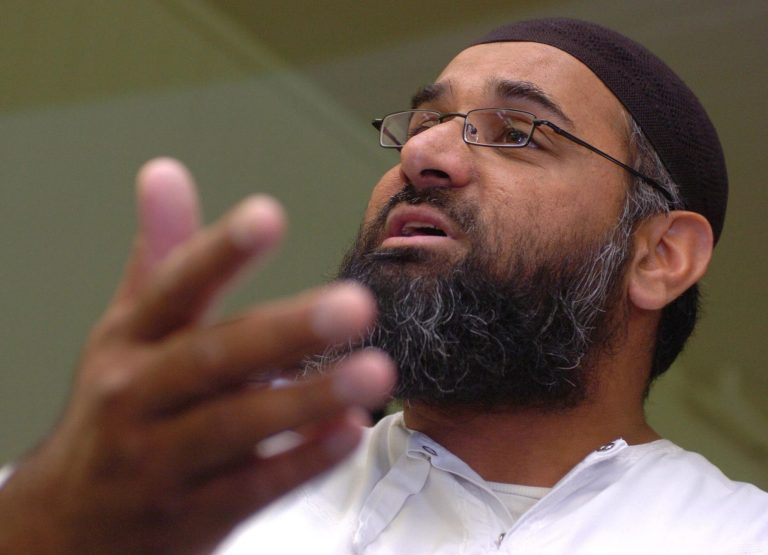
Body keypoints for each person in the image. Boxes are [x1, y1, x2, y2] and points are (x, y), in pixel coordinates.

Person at [0, 16, 766, 555]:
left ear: (659, 255)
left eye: (518, 133)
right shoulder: (179, 498)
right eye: (424, 121)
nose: (426, 154)